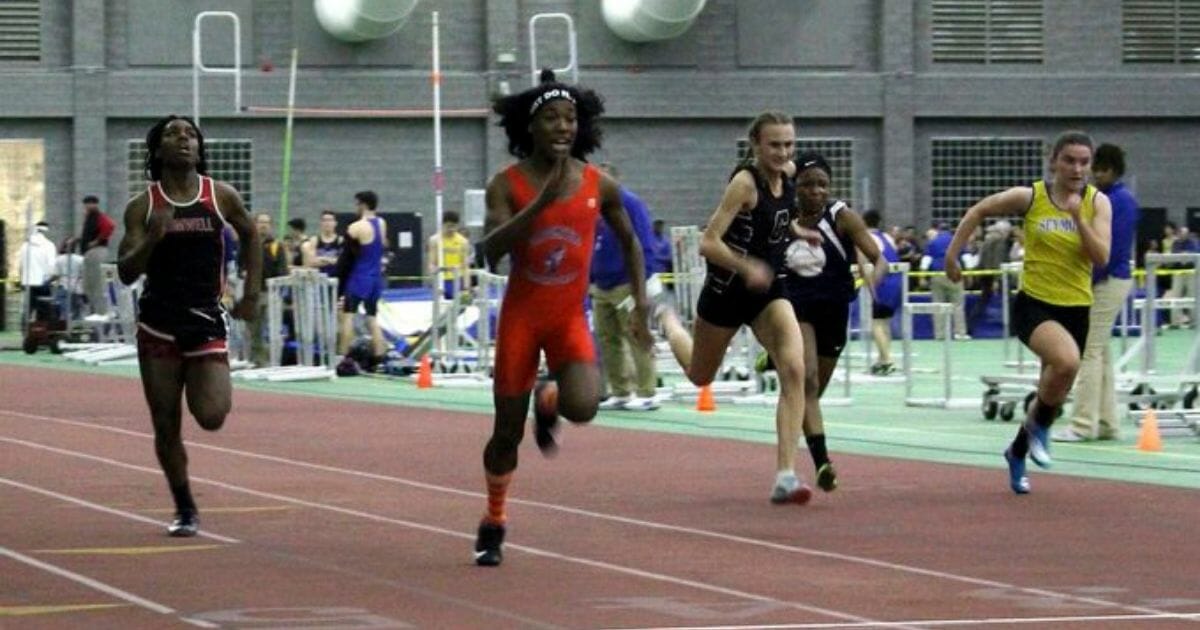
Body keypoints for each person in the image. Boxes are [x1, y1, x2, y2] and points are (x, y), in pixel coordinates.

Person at [474, 70, 652, 566]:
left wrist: (640, 304)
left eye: (571, 118)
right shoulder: (505, 185)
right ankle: (494, 520)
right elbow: (489, 251)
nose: (562, 127)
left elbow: (631, 241)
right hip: (522, 321)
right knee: (506, 434)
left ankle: (548, 396)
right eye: (551, 117)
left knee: (584, 407)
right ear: (529, 128)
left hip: (568, 317)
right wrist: (541, 204)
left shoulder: (599, 183)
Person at [655, 111, 818, 505]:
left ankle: (786, 475)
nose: (782, 152)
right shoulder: (744, 184)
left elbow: (777, 220)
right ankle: (666, 319)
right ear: (756, 146)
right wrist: (747, 267)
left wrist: (799, 232)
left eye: (788, 144)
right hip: (728, 288)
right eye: (774, 145)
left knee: (794, 368)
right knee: (699, 375)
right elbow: (708, 242)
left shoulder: (790, 176)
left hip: (768, 290)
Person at [116, 114, 262, 536]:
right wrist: (151, 238)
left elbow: (250, 235)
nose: (183, 139)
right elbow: (126, 271)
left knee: (212, 415)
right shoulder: (143, 206)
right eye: (173, 134)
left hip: (204, 320)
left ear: (199, 149)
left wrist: (251, 294)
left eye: (190, 135)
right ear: (158, 150)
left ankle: (185, 499)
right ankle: (184, 506)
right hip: (159, 325)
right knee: (166, 422)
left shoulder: (220, 195)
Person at [945, 131, 1111, 494]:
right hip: (1035, 304)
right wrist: (952, 255)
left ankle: (1018, 450)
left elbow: (1101, 257)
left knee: (1052, 387)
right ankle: (1040, 429)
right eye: (1069, 160)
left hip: (1077, 307)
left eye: (1084, 162)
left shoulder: (1098, 204)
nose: (1077, 168)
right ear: (1054, 161)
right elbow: (978, 211)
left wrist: (1078, 219)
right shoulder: (1031, 196)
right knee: (1066, 363)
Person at [779, 153, 887, 492]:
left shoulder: (842, 217)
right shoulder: (783, 217)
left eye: (822, 185)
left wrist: (873, 279)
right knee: (806, 380)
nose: (816, 191)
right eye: (808, 184)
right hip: (797, 309)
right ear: (795, 186)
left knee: (812, 393)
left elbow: (877, 257)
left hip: (835, 309)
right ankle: (823, 462)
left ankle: (777, 364)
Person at [1054, 143, 1139, 442]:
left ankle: (1081, 424)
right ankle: (1106, 423)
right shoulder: (1107, 198)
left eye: (1100, 169)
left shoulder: (1119, 201)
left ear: (1113, 171)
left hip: (1108, 279)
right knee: (1100, 352)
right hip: (1105, 278)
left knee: (1087, 352)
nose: (1094, 174)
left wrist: (1086, 281)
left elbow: (1111, 250)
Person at [591, 162, 660, 412]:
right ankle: (621, 390)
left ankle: (647, 391)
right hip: (601, 284)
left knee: (636, 335)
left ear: (613, 181)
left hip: (627, 283)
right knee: (607, 339)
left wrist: (641, 285)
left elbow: (643, 241)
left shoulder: (630, 203)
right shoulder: (594, 207)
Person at [337, 191, 389, 360]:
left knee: (348, 316)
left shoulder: (356, 227)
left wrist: (340, 282)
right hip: (376, 279)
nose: (356, 208)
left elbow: (346, 259)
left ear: (363, 205)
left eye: (357, 204)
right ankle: (379, 356)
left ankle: (343, 357)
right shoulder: (381, 223)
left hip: (360, 277)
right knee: (372, 318)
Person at [245, 212, 290, 367]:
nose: (263, 225)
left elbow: (283, 270)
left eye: (266, 222)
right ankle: (257, 360)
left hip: (271, 292)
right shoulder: (248, 243)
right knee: (254, 328)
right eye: (260, 222)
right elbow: (240, 266)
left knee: (273, 328)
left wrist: (278, 285)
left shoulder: (276, 246)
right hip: (252, 293)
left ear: (270, 226)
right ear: (255, 224)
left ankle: (274, 360)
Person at [862, 210, 903, 375]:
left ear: (863, 222)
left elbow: (866, 261)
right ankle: (881, 358)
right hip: (898, 282)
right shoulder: (887, 238)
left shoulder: (867, 238)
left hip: (883, 282)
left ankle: (887, 360)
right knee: (884, 322)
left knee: (876, 323)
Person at [925, 222, 970, 340]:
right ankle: (960, 333)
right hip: (954, 273)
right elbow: (967, 258)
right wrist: (970, 273)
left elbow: (926, 260)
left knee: (937, 305)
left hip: (937, 274)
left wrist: (922, 276)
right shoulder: (957, 240)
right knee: (958, 305)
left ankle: (940, 334)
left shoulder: (933, 242)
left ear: (938, 230)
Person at [79, 194, 116, 318]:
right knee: (89, 284)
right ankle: (94, 311)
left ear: (95, 204)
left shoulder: (99, 216)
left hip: (97, 252)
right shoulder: (89, 218)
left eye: (89, 203)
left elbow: (110, 226)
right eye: (86, 204)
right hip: (90, 253)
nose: (87, 206)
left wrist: (97, 241)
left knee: (97, 283)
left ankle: (101, 312)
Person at [425, 210, 472, 299]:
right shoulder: (435, 240)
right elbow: (431, 263)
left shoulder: (463, 242)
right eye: (448, 226)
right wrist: (433, 279)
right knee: (444, 308)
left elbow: (465, 266)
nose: (451, 229)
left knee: (462, 306)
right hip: (442, 280)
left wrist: (466, 287)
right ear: (443, 225)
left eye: (454, 226)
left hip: (458, 278)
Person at [17, 221, 58, 322]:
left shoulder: (25, 246)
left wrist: (22, 278)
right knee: (44, 310)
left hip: (27, 282)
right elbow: (51, 266)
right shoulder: (49, 245)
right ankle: (41, 333)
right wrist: (52, 279)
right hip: (42, 282)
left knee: (27, 310)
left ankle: (26, 332)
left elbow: (21, 265)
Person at [301, 209, 343, 278]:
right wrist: (332, 261)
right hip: (319, 278)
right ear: (321, 223)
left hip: (335, 278)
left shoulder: (340, 240)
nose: (327, 223)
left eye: (330, 220)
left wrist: (322, 259)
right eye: (324, 220)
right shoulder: (314, 240)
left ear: (335, 223)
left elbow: (341, 262)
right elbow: (311, 262)